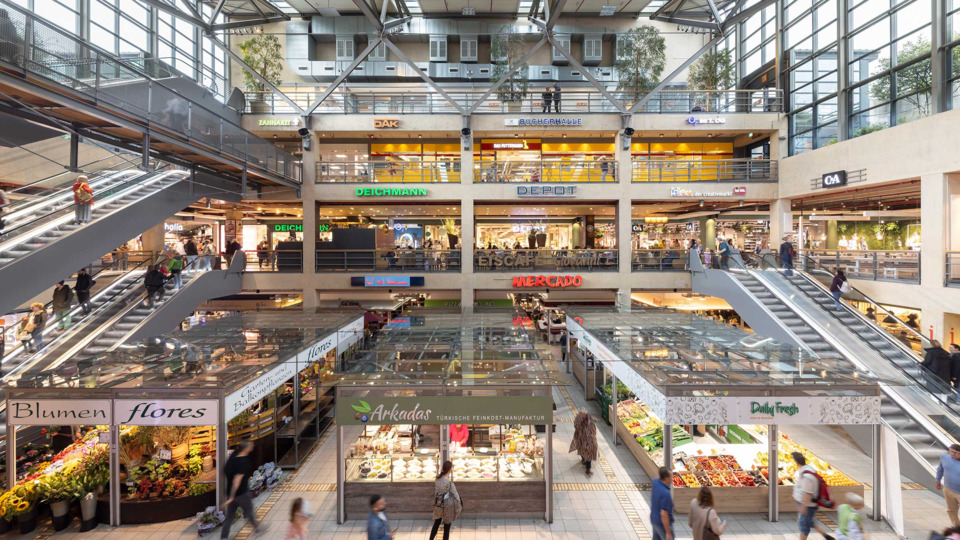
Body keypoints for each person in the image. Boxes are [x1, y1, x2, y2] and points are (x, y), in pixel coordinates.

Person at [220, 441, 267, 538]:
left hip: (230, 491)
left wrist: (230, 496)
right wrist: (231, 498)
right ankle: (257, 529)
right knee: (249, 511)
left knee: (229, 517)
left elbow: (225, 470)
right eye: (250, 446)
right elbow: (236, 481)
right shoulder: (244, 463)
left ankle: (223, 537)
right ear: (246, 448)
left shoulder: (234, 454)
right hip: (241, 494)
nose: (252, 446)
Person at [793, 452, 835, 540]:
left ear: (796, 462)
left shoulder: (807, 476)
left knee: (803, 526)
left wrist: (803, 507)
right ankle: (827, 536)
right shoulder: (808, 468)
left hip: (808, 505)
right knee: (810, 521)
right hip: (809, 504)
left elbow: (808, 493)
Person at [430, 460, 461, 540]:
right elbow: (457, 497)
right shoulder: (450, 484)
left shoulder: (437, 478)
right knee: (446, 528)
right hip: (447, 507)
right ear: (450, 470)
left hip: (438, 504)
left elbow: (437, 491)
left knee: (436, 524)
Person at [570, 410, 598, 475]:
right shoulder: (578, 419)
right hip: (581, 438)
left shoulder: (588, 418)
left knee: (589, 453)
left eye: (584, 415)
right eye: (582, 414)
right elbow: (576, 426)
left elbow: (593, 427)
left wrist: (592, 435)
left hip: (590, 440)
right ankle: (583, 458)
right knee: (582, 450)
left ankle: (588, 469)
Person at [651, 467, 675, 540]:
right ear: (666, 478)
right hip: (662, 525)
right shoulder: (666, 494)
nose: (672, 478)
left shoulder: (655, 482)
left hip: (654, 520)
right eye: (671, 476)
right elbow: (664, 514)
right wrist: (668, 532)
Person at [939, 444, 960, 527]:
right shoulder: (945, 458)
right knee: (951, 510)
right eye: (951, 451)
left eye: (956, 452)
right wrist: (938, 480)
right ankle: (955, 525)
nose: (952, 454)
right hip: (948, 489)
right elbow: (940, 469)